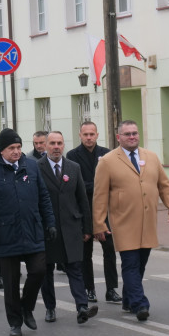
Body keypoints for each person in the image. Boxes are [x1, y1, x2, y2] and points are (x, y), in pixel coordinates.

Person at [92, 120, 169, 321]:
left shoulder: (150, 157)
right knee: (130, 264)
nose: (132, 137)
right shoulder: (107, 161)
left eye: (134, 133)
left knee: (141, 264)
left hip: (147, 222)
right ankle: (140, 304)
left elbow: (165, 186)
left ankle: (128, 299)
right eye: (127, 134)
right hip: (123, 222)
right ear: (119, 137)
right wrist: (99, 223)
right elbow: (99, 195)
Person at [0, 128, 55, 336]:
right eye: (12, 148)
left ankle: (26, 307)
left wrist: (50, 223)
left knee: (39, 270)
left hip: (32, 228)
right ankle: (15, 322)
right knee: (10, 281)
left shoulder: (31, 166)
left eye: (19, 147)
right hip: (5, 231)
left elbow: (43, 197)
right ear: (2, 150)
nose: (16, 152)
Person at [38, 131, 98, 324]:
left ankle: (81, 307)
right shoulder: (36, 168)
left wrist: (87, 228)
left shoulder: (73, 168)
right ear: (46, 145)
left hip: (71, 227)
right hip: (48, 229)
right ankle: (50, 308)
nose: (56, 147)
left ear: (64, 145)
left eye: (60, 143)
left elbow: (82, 199)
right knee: (46, 271)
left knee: (75, 267)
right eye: (53, 143)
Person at [66, 121, 119, 304]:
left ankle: (111, 289)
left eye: (92, 134)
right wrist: (98, 186)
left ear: (97, 135)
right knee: (85, 252)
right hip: (83, 210)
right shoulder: (72, 156)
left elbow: (113, 182)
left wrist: (95, 186)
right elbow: (75, 184)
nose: (89, 138)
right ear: (80, 135)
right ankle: (89, 289)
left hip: (104, 210)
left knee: (109, 249)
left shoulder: (107, 154)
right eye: (85, 134)